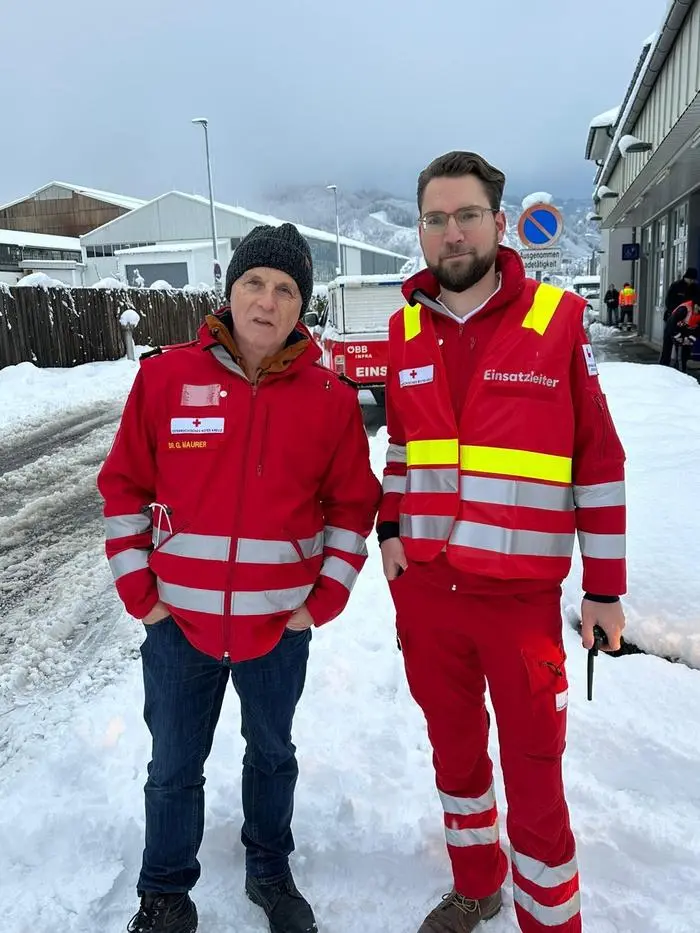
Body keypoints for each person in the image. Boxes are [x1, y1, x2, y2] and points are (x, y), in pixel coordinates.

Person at [98, 223, 382, 933]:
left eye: (286, 289)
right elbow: (123, 489)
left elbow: (352, 506)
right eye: (254, 282)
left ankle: (268, 868)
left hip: (278, 626)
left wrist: (323, 599)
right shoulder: (165, 378)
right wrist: (144, 595)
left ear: (301, 307)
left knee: (274, 754)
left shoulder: (329, 398)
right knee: (172, 766)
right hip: (178, 627)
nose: (267, 299)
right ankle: (164, 890)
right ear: (229, 292)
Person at [378, 151, 627, 933]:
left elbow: (600, 461)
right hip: (428, 599)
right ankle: (477, 883)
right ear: (420, 230)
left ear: (498, 221)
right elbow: (402, 448)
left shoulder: (556, 323)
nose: (452, 234)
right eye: (435, 219)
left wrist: (605, 589)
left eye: (467, 215)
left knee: (535, 777)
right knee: (455, 760)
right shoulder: (404, 326)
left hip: (518, 604)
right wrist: (390, 529)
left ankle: (550, 920)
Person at [659, 283, 700, 371]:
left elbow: (698, 330)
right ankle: (663, 369)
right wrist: (678, 337)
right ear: (694, 305)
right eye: (697, 308)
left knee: (684, 354)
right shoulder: (684, 310)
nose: (697, 311)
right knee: (668, 351)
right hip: (673, 328)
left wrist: (690, 339)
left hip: (686, 330)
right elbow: (671, 325)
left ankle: (682, 372)